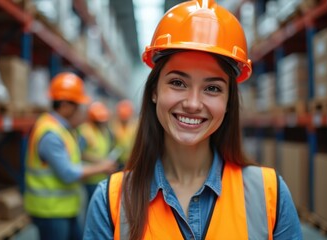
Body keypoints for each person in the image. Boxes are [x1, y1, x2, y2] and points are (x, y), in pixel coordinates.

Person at [83, 1, 302, 239]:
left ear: (229, 102)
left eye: (212, 88)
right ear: (154, 91)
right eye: (178, 83)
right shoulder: (111, 200)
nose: (193, 103)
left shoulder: (269, 194)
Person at [23, 72, 117, 240]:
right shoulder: (51, 133)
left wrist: (98, 161)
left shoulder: (63, 129)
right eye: (79, 105)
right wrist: (102, 167)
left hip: (64, 208)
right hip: (50, 211)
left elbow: (76, 155)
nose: (82, 111)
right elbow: (67, 174)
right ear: (65, 105)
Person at [77, 101, 117, 201]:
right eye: (98, 121)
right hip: (89, 178)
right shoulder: (84, 131)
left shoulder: (106, 132)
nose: (101, 123)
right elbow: (78, 153)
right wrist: (100, 161)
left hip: (103, 176)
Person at [111, 99, 138, 168]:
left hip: (131, 161)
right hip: (116, 161)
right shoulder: (114, 125)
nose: (123, 119)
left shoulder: (135, 126)